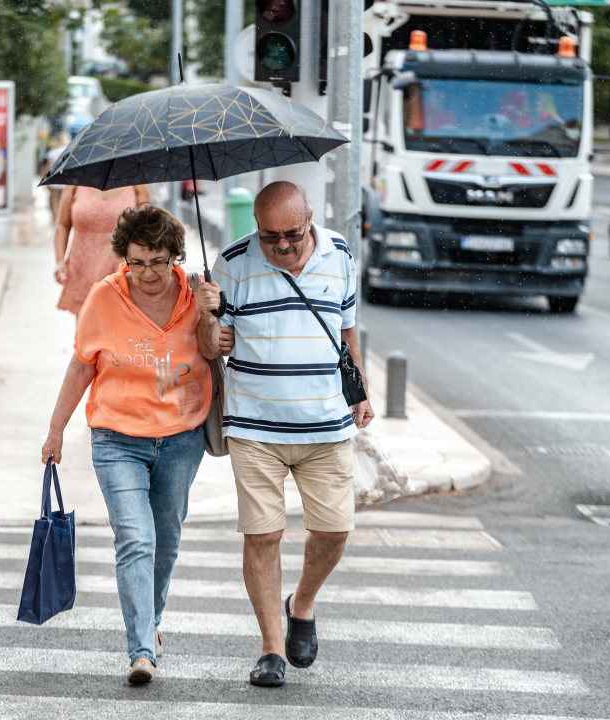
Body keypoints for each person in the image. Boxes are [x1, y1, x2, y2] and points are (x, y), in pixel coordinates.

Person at [197, 181, 375, 688]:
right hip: (255, 426)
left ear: (310, 220)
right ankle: (271, 648)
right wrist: (207, 317)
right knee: (263, 537)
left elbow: (346, 330)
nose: (282, 245)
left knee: (335, 530)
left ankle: (302, 602)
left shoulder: (340, 253)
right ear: (257, 226)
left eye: (292, 234)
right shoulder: (230, 264)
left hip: (326, 425)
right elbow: (211, 348)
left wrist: (359, 389)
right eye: (270, 235)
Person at [41, 203, 222, 685]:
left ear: (174, 257)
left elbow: (212, 349)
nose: (147, 273)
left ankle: (151, 621)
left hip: (182, 438)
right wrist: (56, 428)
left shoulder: (195, 291)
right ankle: (141, 648)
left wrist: (209, 314)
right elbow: (82, 364)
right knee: (136, 540)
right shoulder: (103, 298)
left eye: (158, 261)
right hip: (118, 438)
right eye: (137, 261)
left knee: (166, 542)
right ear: (124, 257)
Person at [53, 184, 151, 315]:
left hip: (122, 269)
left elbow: (147, 228)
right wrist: (60, 261)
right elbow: (62, 224)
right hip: (83, 269)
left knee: (121, 326)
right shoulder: (75, 183)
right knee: (87, 327)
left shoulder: (135, 183)